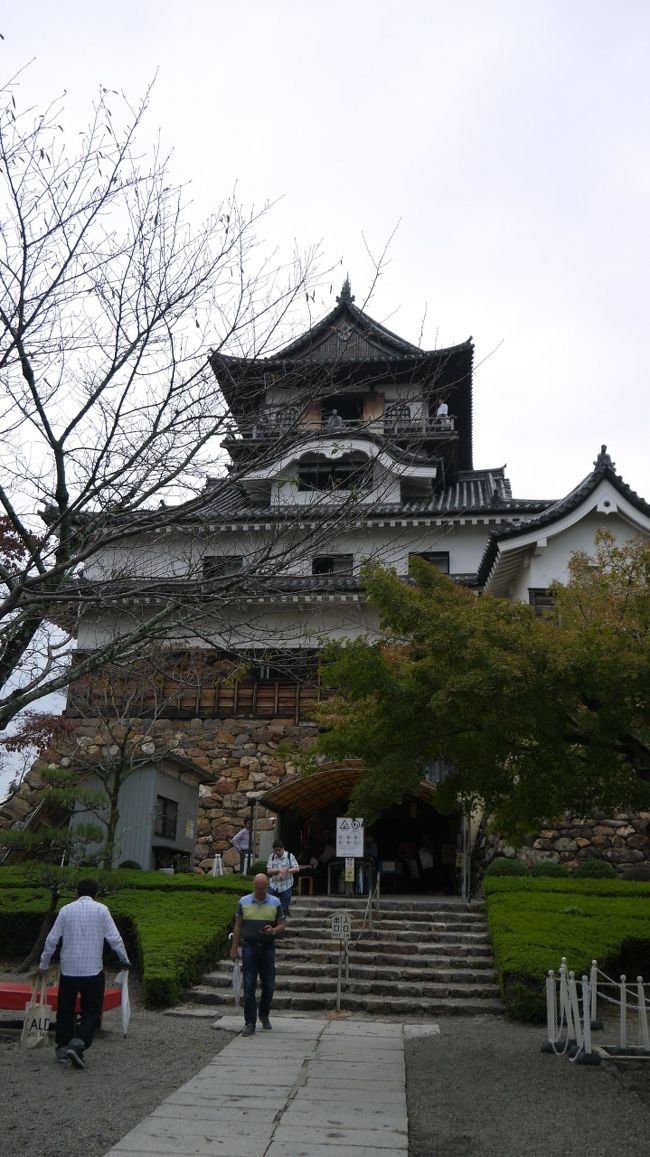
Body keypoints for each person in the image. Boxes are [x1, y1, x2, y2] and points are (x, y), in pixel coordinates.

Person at [37, 878, 131, 1069]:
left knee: (65, 1010)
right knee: (92, 1011)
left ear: (77, 893)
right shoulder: (102, 910)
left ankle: (62, 1048)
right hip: (92, 971)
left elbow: (51, 940)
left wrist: (43, 964)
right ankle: (79, 1042)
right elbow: (115, 938)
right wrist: (125, 959)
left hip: (69, 970)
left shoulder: (65, 910)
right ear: (95, 894)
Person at [230, 873, 285, 1036]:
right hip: (249, 947)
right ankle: (250, 1022)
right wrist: (234, 948)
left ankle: (264, 1014)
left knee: (269, 984)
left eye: (263, 889)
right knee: (249, 985)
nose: (260, 892)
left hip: (267, 947)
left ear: (267, 886)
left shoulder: (275, 902)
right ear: (253, 886)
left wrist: (273, 929)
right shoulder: (244, 901)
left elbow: (282, 924)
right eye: (257, 889)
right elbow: (238, 926)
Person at [267, 839, 300, 917]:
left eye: (279, 850)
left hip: (286, 885)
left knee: (284, 909)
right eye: (275, 851)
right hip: (273, 885)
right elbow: (269, 870)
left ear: (283, 848)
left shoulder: (289, 856)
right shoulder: (271, 857)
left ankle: (281, 926)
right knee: (269, 905)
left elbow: (297, 868)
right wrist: (278, 871)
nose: (277, 852)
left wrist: (287, 870)